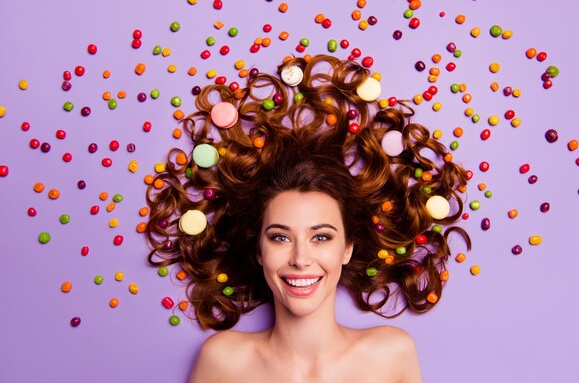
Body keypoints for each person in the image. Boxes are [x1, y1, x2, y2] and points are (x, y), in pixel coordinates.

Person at [145, 54, 471, 382]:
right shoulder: (223, 361)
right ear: (259, 250)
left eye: (321, 236)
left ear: (348, 248)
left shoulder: (391, 354)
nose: (301, 259)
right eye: (280, 237)